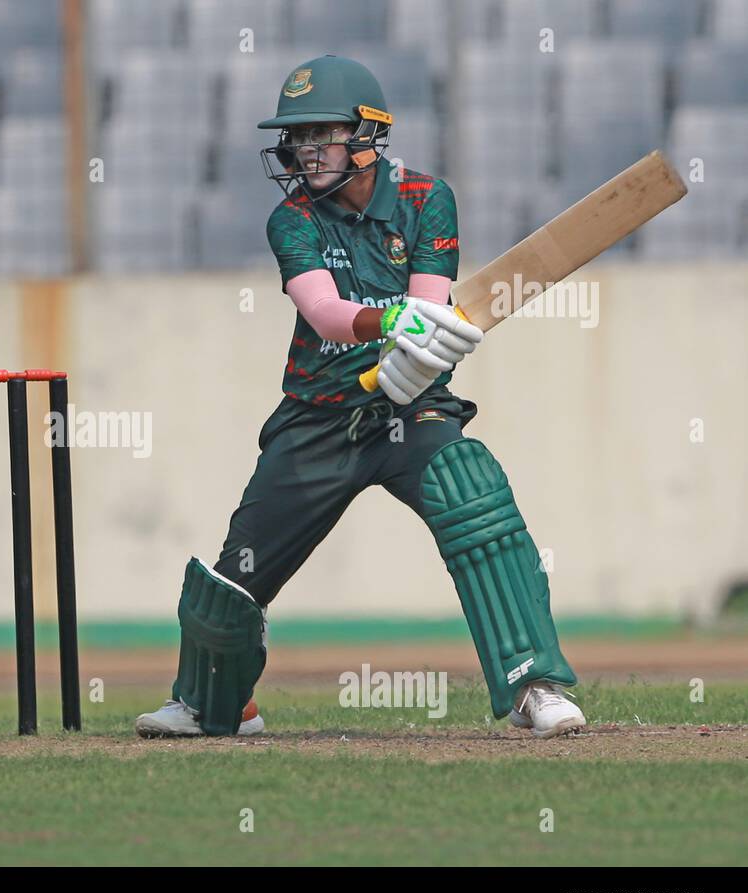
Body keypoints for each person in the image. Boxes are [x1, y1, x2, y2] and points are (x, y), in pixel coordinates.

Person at [135, 55, 585, 740]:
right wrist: (391, 322)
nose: (303, 150)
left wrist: (421, 346)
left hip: (412, 410)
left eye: (321, 134)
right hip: (319, 415)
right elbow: (324, 313)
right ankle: (213, 702)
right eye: (297, 136)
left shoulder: (425, 198)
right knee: (237, 572)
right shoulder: (292, 218)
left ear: (369, 135)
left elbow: (430, 308)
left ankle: (536, 686)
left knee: (476, 497)